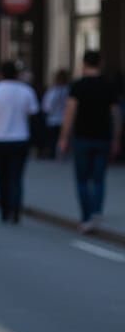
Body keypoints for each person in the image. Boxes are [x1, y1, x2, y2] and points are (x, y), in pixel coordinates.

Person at [58, 49, 122, 232]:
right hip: (103, 137)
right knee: (99, 178)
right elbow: (116, 114)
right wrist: (116, 137)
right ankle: (96, 211)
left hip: (82, 138)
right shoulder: (109, 85)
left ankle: (86, 216)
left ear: (83, 64)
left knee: (82, 179)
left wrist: (63, 137)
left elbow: (69, 113)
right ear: (100, 63)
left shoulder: (78, 85)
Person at [0, 62, 39, 223]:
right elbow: (33, 114)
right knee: (17, 177)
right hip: (20, 137)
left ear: (0, 74)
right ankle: (16, 209)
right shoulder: (26, 91)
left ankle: (4, 209)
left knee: (1, 176)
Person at [41, 69, 70, 159]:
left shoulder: (53, 91)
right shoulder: (68, 91)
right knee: (60, 138)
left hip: (54, 119)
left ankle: (54, 154)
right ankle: (60, 154)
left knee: (53, 139)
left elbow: (46, 106)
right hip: (63, 119)